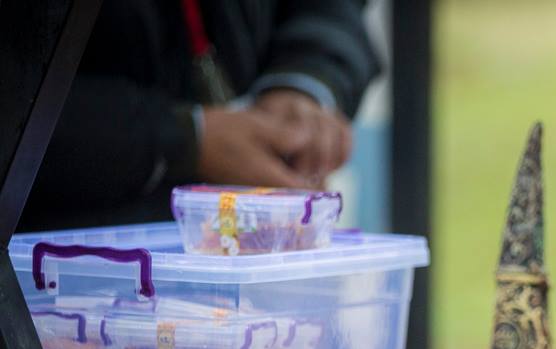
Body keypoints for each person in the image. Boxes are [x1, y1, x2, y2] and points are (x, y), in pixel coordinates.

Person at [19, 0, 380, 231]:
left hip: (238, 252)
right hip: (57, 251)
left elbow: (329, 12)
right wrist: (182, 138)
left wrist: (305, 81)